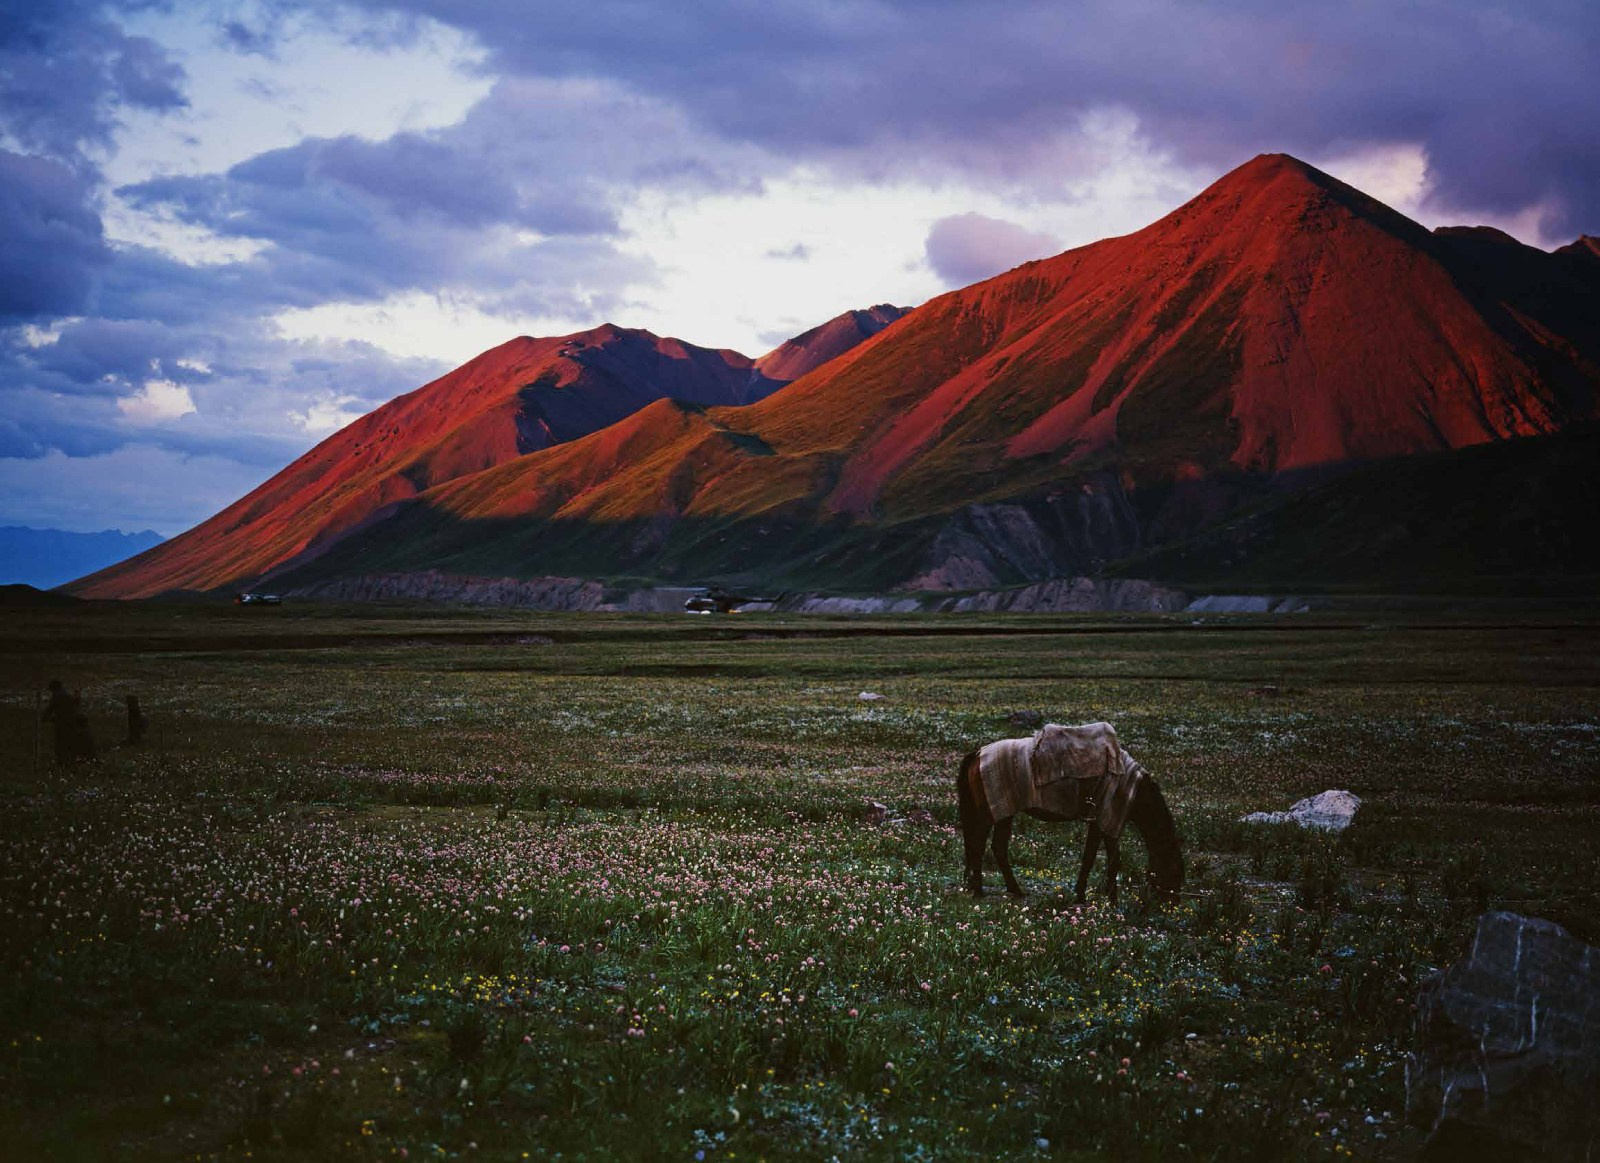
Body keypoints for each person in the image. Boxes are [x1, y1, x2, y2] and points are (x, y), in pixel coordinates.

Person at [41, 678, 96, 765]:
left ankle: (63, 763)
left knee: (61, 745)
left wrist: (45, 719)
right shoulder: (67, 696)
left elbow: (50, 710)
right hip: (71, 723)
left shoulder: (57, 696)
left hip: (62, 725)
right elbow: (75, 707)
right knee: (70, 744)